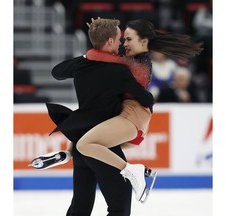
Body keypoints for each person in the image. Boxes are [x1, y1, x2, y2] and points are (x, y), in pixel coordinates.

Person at [31, 18, 203, 203]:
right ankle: (67, 154)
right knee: (88, 140)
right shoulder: (131, 60)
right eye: (123, 39)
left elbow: (99, 56)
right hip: (127, 115)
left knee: (85, 144)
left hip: (132, 116)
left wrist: (98, 38)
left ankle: (133, 170)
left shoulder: (132, 64)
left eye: (128, 39)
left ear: (143, 42)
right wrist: (100, 35)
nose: (124, 44)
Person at [32, 18, 154, 216]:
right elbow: (146, 97)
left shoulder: (81, 65)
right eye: (118, 39)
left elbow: (57, 72)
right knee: (119, 208)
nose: (121, 43)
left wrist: (88, 55)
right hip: (102, 145)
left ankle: (68, 154)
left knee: (80, 207)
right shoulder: (118, 70)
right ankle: (131, 169)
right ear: (109, 42)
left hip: (81, 139)